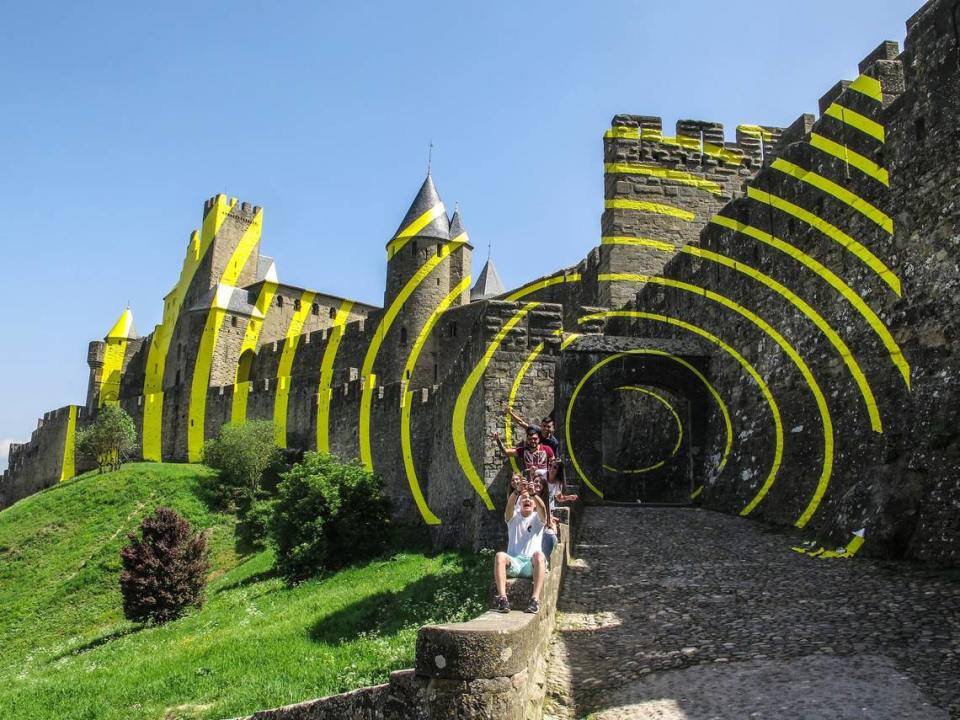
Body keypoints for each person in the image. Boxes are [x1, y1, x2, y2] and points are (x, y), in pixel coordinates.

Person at [492, 488, 548, 614]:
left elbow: (543, 508)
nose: (527, 500)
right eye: (524, 498)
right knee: (499, 556)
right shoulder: (512, 518)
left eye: (530, 499)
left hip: (531, 564)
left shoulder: (538, 519)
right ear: (519, 503)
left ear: (534, 504)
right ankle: (502, 599)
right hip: (515, 563)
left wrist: (534, 494)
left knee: (539, 556)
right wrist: (516, 492)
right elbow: (509, 507)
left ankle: (535, 600)